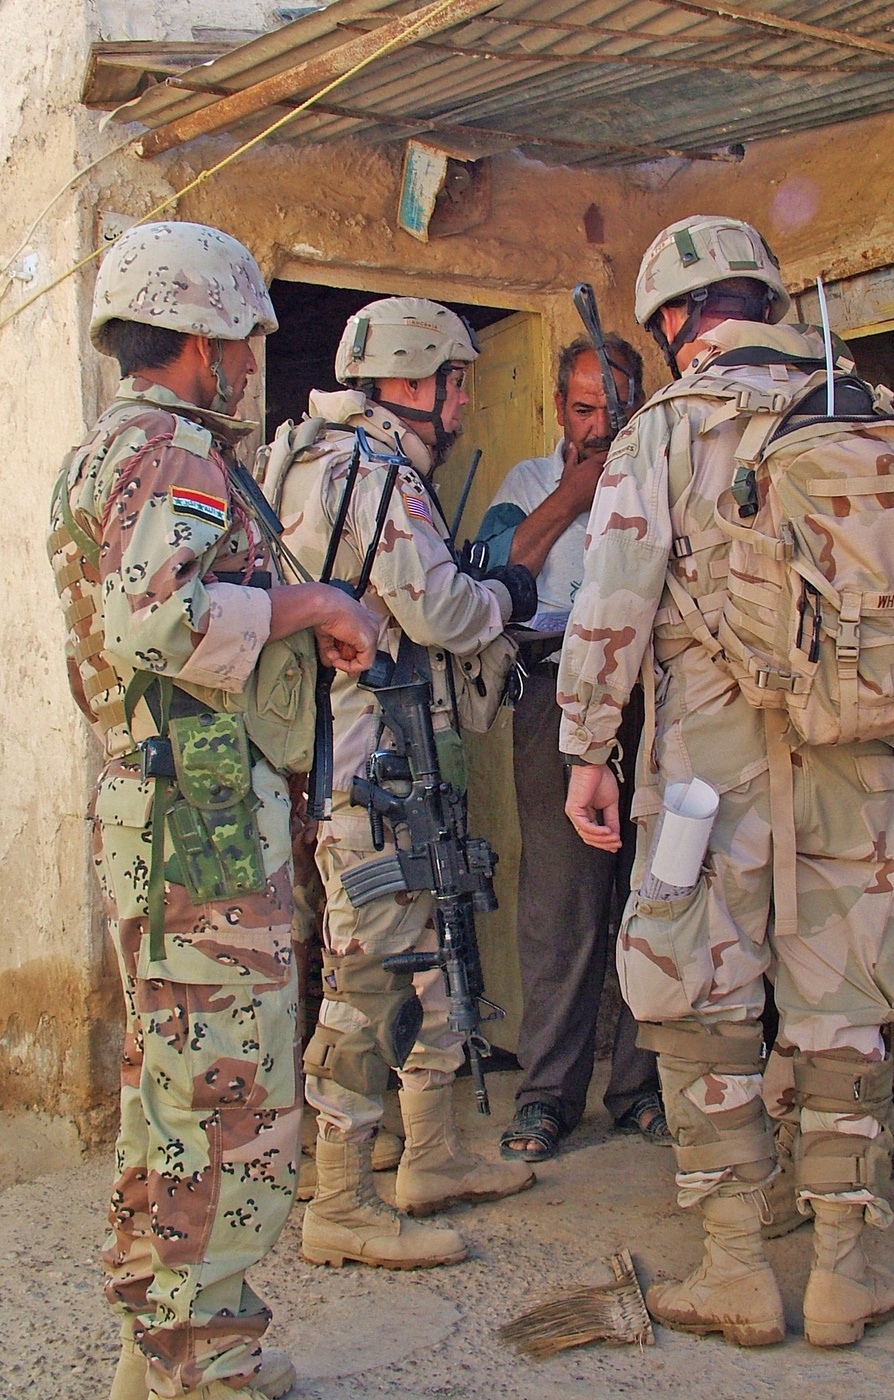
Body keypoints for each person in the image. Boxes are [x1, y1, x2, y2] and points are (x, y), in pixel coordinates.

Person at [558, 215, 894, 1349]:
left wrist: (587, 744)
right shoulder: (862, 410)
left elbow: (612, 596)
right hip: (860, 749)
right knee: (842, 991)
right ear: (762, 300)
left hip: (702, 776)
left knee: (694, 984)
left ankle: (733, 1264)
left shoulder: (664, 430)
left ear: (677, 318)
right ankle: (842, 1268)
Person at [48, 221, 379, 1400]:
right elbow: (160, 622)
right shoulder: (175, 455)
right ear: (200, 339)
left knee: (173, 1089)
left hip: (162, 805)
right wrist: (314, 599)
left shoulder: (108, 451)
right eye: (242, 340)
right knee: (229, 1096)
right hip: (201, 822)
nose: (249, 364)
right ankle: (214, 1365)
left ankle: (161, 1349)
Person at [268, 296, 538, 1274]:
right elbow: (440, 610)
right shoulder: (374, 472)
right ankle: (339, 1196)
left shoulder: (304, 455)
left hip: (368, 759)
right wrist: (503, 594)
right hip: (371, 763)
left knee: (426, 949)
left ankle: (431, 1154)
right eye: (457, 378)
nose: (464, 397)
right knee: (367, 973)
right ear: (418, 382)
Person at [475, 336, 668, 1162]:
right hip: (552, 702)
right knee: (562, 906)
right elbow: (489, 570)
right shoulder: (525, 484)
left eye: (613, 409)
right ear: (560, 407)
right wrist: (572, 494)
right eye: (583, 408)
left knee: (654, 897)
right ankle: (548, 1095)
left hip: (653, 708)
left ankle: (640, 1089)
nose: (597, 425)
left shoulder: (662, 473)